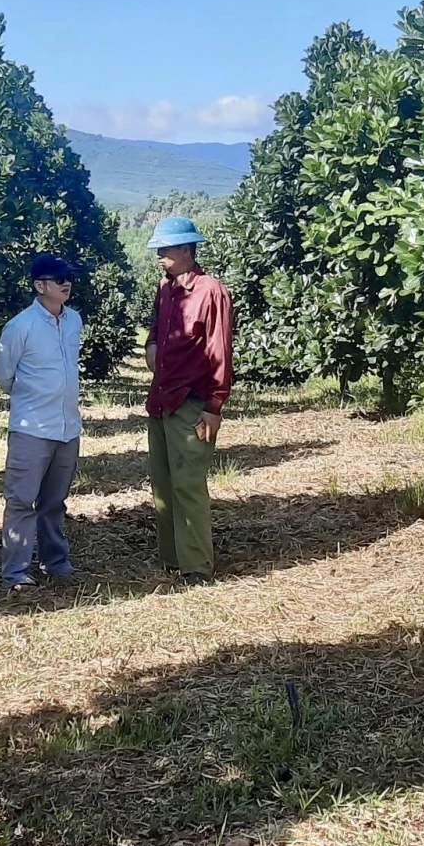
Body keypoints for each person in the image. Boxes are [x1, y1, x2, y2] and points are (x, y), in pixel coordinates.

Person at [142, 215, 235, 584]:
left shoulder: (211, 291)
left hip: (192, 402)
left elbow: (219, 351)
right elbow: (155, 327)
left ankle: (197, 567)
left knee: (189, 485)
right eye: (159, 249)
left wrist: (214, 407)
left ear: (186, 249)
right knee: (163, 485)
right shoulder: (165, 290)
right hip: (162, 399)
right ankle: (172, 558)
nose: (160, 255)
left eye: (166, 248)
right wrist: (151, 345)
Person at [0, 254, 84, 591]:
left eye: (68, 277)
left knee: (54, 502)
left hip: (67, 427)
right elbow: (3, 375)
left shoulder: (74, 320)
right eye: (58, 278)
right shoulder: (19, 327)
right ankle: (15, 572)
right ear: (39, 286)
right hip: (32, 428)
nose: (66, 283)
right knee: (21, 501)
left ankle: (55, 562)